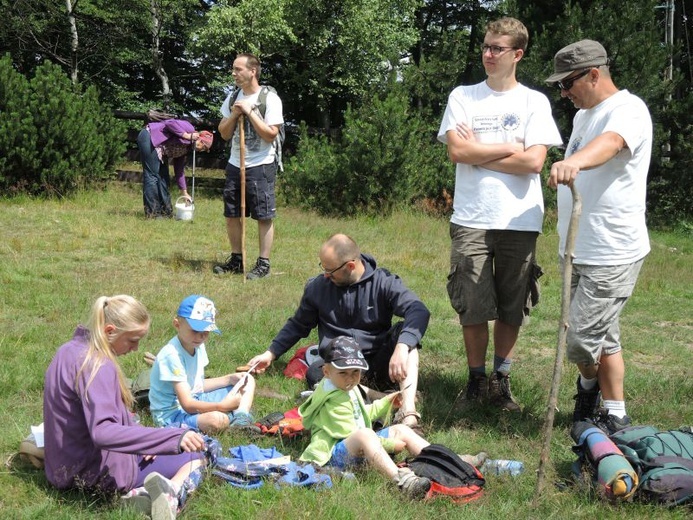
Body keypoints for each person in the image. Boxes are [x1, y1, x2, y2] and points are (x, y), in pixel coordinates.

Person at [437, 17, 562, 412]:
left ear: (517, 54)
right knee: (471, 303)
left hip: (520, 220)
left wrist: (483, 151)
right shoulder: (463, 96)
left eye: (497, 48)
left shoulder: (534, 102)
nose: (488, 54)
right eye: (486, 46)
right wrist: (510, 146)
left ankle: (500, 379)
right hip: (472, 216)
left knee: (512, 303)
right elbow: (458, 152)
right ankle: (475, 380)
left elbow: (535, 163)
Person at [545, 40, 652, 433]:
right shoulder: (582, 117)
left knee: (581, 342)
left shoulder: (628, 109)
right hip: (576, 248)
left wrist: (572, 161)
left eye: (568, 83)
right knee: (605, 334)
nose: (564, 92)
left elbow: (610, 145)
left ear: (594, 73)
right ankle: (616, 412)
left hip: (612, 249)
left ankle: (587, 388)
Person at [43, 295, 207, 520]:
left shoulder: (68, 350)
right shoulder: (98, 365)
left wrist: (145, 440)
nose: (136, 348)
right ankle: (167, 495)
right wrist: (168, 440)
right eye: (132, 340)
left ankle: (141, 496)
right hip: (96, 473)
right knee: (199, 454)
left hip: (62, 466)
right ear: (110, 330)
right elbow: (103, 432)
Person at [246, 233, 430, 430]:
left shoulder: (383, 282)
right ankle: (386, 399)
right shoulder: (318, 287)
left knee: (405, 335)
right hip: (339, 366)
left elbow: (418, 310)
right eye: (323, 269)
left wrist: (402, 347)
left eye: (330, 271)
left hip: (377, 363)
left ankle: (408, 412)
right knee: (316, 373)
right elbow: (298, 324)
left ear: (350, 266)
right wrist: (270, 353)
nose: (326, 275)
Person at [299, 336, 483, 499]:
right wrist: (388, 445)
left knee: (401, 429)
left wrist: (387, 401)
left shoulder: (347, 388)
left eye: (355, 372)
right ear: (326, 372)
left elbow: (363, 415)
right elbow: (350, 431)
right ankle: (402, 480)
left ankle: (449, 460)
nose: (350, 378)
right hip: (334, 455)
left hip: (357, 444)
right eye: (343, 373)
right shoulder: (331, 398)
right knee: (366, 435)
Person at [214, 53, 284, 280]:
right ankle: (237, 259)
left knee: (263, 214)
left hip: (261, 165)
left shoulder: (269, 98)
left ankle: (263, 263)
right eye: (233, 69)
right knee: (232, 213)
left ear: (252, 71)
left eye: (238, 69)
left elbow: (270, 134)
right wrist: (235, 113)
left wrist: (251, 112)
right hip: (235, 163)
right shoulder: (233, 97)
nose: (233, 73)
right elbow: (224, 134)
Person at [148, 295, 260, 434]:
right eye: (195, 330)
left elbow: (197, 385)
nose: (201, 337)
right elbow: (187, 405)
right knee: (218, 420)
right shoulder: (172, 355)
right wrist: (220, 406)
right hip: (172, 416)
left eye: (205, 332)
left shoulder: (197, 345)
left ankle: (240, 418)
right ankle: (232, 414)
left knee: (246, 379)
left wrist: (229, 379)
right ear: (177, 324)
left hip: (196, 398)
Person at [137, 119, 213, 219]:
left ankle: (166, 212)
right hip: (149, 137)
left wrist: (184, 192)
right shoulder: (189, 128)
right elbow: (170, 123)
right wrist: (186, 135)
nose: (201, 150)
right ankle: (153, 213)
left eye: (204, 149)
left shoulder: (185, 149)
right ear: (200, 139)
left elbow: (179, 171)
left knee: (163, 178)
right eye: (203, 147)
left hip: (160, 149)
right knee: (152, 176)